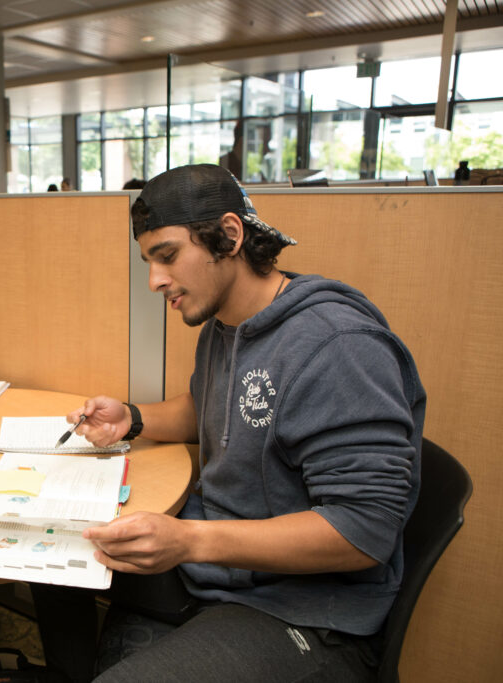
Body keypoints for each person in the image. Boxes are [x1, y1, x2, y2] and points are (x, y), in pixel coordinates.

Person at [31, 164, 425, 682]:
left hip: (303, 610)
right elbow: (214, 408)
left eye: (167, 256)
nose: (154, 281)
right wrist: (133, 419)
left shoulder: (338, 346)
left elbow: (364, 531)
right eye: (149, 261)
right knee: (50, 550)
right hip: (221, 569)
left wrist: (190, 539)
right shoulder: (225, 324)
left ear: (230, 235)